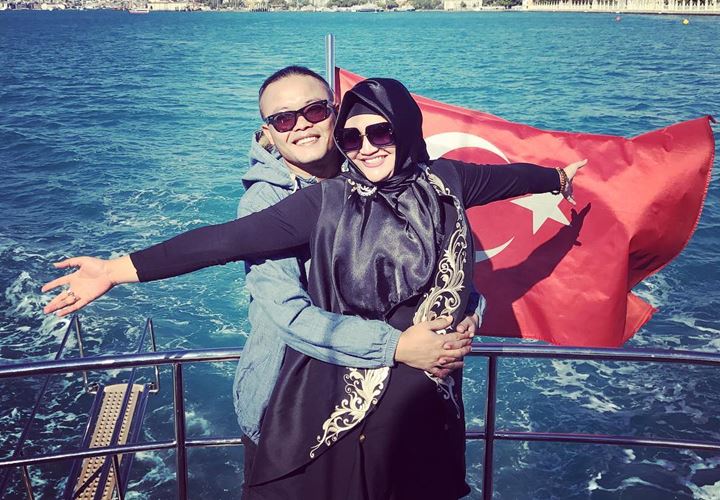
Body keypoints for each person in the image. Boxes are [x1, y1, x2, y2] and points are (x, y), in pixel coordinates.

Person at [43, 77, 584, 499]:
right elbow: (221, 242)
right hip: (327, 396)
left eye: (381, 132)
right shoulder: (321, 201)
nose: (366, 147)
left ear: (404, 128)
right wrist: (115, 270)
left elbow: (513, 180)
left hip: (429, 398)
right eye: (354, 137)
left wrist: (557, 179)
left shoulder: (447, 180)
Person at [233, 66, 479, 484]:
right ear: (269, 132)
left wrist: (468, 311)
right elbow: (289, 315)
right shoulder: (264, 203)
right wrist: (397, 346)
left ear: (336, 114)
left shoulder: (382, 173)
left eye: (314, 111)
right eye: (284, 119)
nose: (301, 126)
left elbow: (447, 262)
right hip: (290, 410)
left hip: (381, 400)